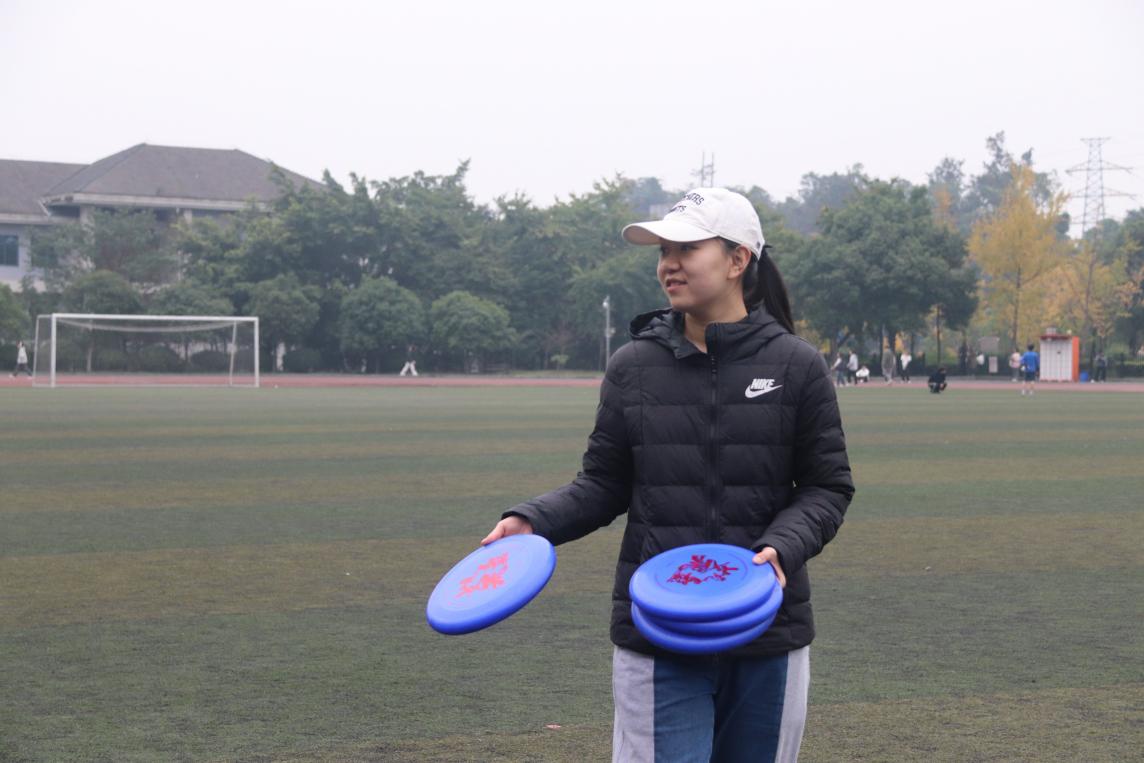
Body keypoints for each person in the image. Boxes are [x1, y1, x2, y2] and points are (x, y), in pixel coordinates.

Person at [481, 188, 854, 763]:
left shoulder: (797, 365)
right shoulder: (633, 366)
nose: (668, 265)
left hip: (767, 626)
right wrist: (533, 520)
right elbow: (603, 483)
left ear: (738, 259)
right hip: (658, 629)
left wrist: (783, 545)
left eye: (686, 248)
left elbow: (827, 487)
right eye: (663, 252)